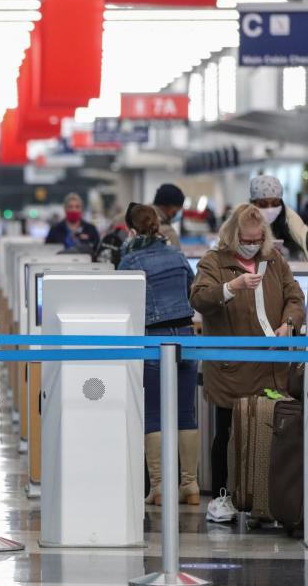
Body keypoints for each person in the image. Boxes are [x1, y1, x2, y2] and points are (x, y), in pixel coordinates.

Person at [189, 204, 305, 517]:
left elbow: (295, 297)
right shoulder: (214, 262)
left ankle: (266, 498)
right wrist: (231, 288)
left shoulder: (274, 261)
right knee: (226, 433)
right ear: (232, 234)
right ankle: (222, 496)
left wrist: (288, 324)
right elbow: (198, 298)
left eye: (257, 239)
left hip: (270, 366)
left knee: (269, 429)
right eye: (246, 239)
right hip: (230, 368)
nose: (251, 244)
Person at [117, 204, 199, 506]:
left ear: (131, 230)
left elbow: (123, 305)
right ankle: (190, 485)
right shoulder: (177, 255)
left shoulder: (130, 261)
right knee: (186, 413)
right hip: (187, 337)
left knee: (154, 414)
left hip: (153, 339)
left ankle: (161, 486)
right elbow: (192, 290)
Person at [248, 175, 308, 261]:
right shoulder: (243, 229)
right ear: (253, 204)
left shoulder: (291, 224)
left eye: (275, 204)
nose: (270, 209)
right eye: (263, 204)